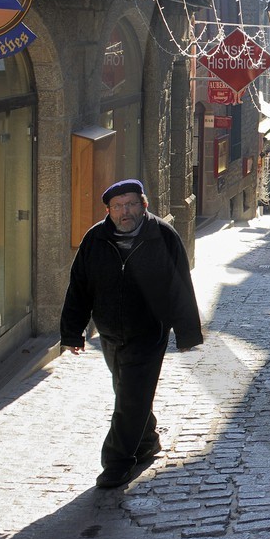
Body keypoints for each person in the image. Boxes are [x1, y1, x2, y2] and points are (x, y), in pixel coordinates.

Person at [60, 179, 203, 489]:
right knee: (128, 393)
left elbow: (180, 285)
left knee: (131, 396)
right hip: (111, 334)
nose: (125, 212)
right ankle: (146, 440)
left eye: (131, 205)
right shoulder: (95, 239)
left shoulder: (163, 236)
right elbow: (80, 288)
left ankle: (116, 462)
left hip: (149, 333)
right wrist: (73, 332)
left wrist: (187, 332)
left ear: (144, 206)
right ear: (109, 211)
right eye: (118, 207)